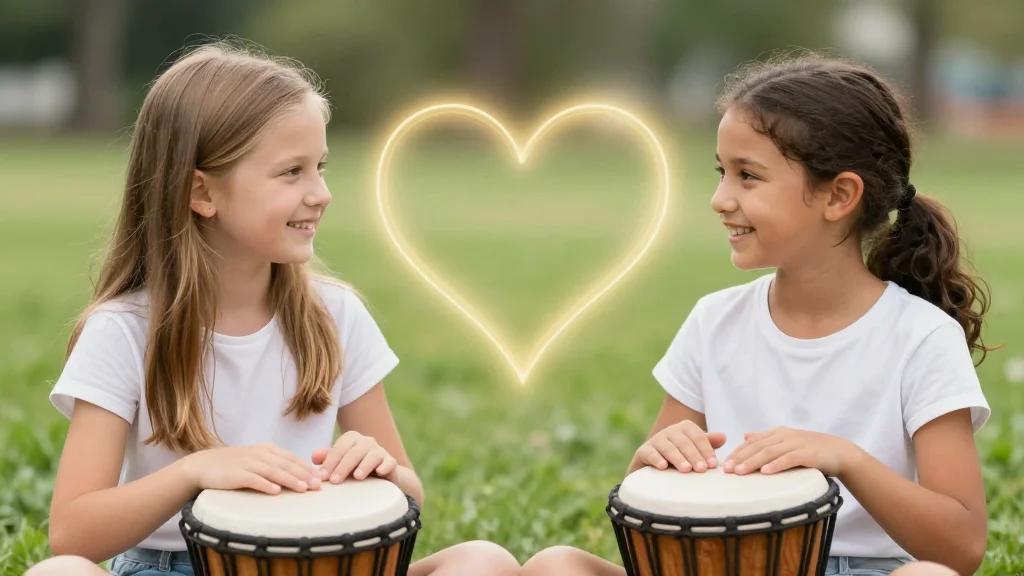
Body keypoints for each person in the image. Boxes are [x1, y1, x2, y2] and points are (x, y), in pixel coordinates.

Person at [26, 40, 519, 576]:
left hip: (318, 565)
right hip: (170, 566)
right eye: (292, 172)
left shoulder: (336, 316)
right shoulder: (122, 331)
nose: (322, 193)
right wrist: (195, 472)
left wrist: (384, 472)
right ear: (201, 193)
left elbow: (409, 493)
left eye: (321, 167)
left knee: (483, 560)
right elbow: (72, 533)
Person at [523, 53, 991, 576]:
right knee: (556, 564)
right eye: (722, 172)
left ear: (839, 194)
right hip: (722, 566)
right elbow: (648, 508)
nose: (720, 199)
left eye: (748, 176)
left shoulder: (922, 337)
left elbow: (961, 546)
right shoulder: (713, 321)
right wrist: (651, 459)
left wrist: (848, 460)